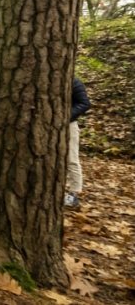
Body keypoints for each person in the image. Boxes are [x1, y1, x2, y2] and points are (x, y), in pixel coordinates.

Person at [65, 78, 91, 208]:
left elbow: (84, 103)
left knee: (71, 159)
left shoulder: (74, 81)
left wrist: (64, 116)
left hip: (69, 125)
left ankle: (73, 194)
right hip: (47, 126)